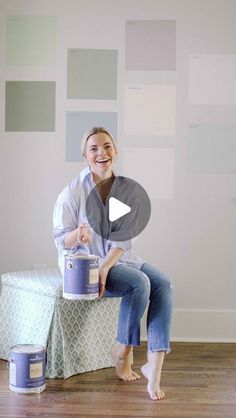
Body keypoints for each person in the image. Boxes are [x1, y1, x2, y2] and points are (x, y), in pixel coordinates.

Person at [53, 127, 173, 401]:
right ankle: (123, 351)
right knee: (139, 284)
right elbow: (61, 238)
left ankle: (154, 366)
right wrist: (77, 235)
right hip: (82, 265)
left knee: (163, 284)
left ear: (115, 151)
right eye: (93, 148)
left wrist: (106, 267)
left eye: (107, 146)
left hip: (114, 259)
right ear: (84, 155)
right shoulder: (73, 192)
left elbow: (123, 240)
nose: (101, 152)